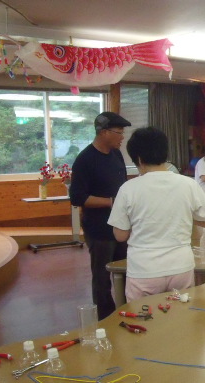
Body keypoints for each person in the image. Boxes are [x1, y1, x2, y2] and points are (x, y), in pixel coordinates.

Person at [107, 127, 205, 302]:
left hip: (144, 270)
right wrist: (184, 218)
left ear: (139, 159)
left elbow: (120, 235)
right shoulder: (187, 184)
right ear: (165, 153)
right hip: (181, 267)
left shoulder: (127, 189)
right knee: (179, 316)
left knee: (144, 317)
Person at [70, 111, 131, 320]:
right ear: (104, 132)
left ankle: (127, 311)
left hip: (121, 227)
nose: (122, 137)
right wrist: (111, 202)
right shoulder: (85, 159)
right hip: (99, 229)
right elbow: (77, 197)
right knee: (102, 278)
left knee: (126, 271)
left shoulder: (117, 155)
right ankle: (105, 320)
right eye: (119, 132)